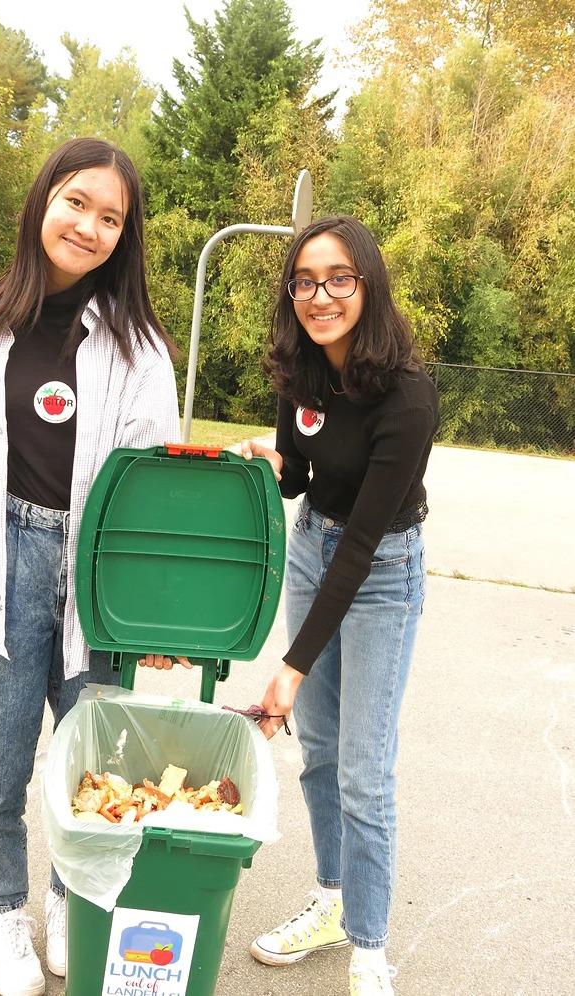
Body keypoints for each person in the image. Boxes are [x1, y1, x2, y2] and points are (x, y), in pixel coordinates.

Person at [0, 138, 185, 996]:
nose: (89, 227)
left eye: (111, 218)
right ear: (43, 202)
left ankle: (71, 899)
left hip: (99, 567)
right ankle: (1, 914)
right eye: (76, 202)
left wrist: (155, 610)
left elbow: (156, 487)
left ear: (124, 237)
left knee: (92, 757)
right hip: (5, 559)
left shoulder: (139, 348)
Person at [240, 216, 439, 996]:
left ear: (367, 283)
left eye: (338, 278)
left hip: (380, 569)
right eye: (305, 281)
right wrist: (275, 458)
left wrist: (290, 666)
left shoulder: (409, 396)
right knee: (318, 753)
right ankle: (330, 902)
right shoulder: (301, 370)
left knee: (363, 771)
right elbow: (303, 485)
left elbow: (359, 547)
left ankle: (369, 949)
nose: (320, 296)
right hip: (309, 548)